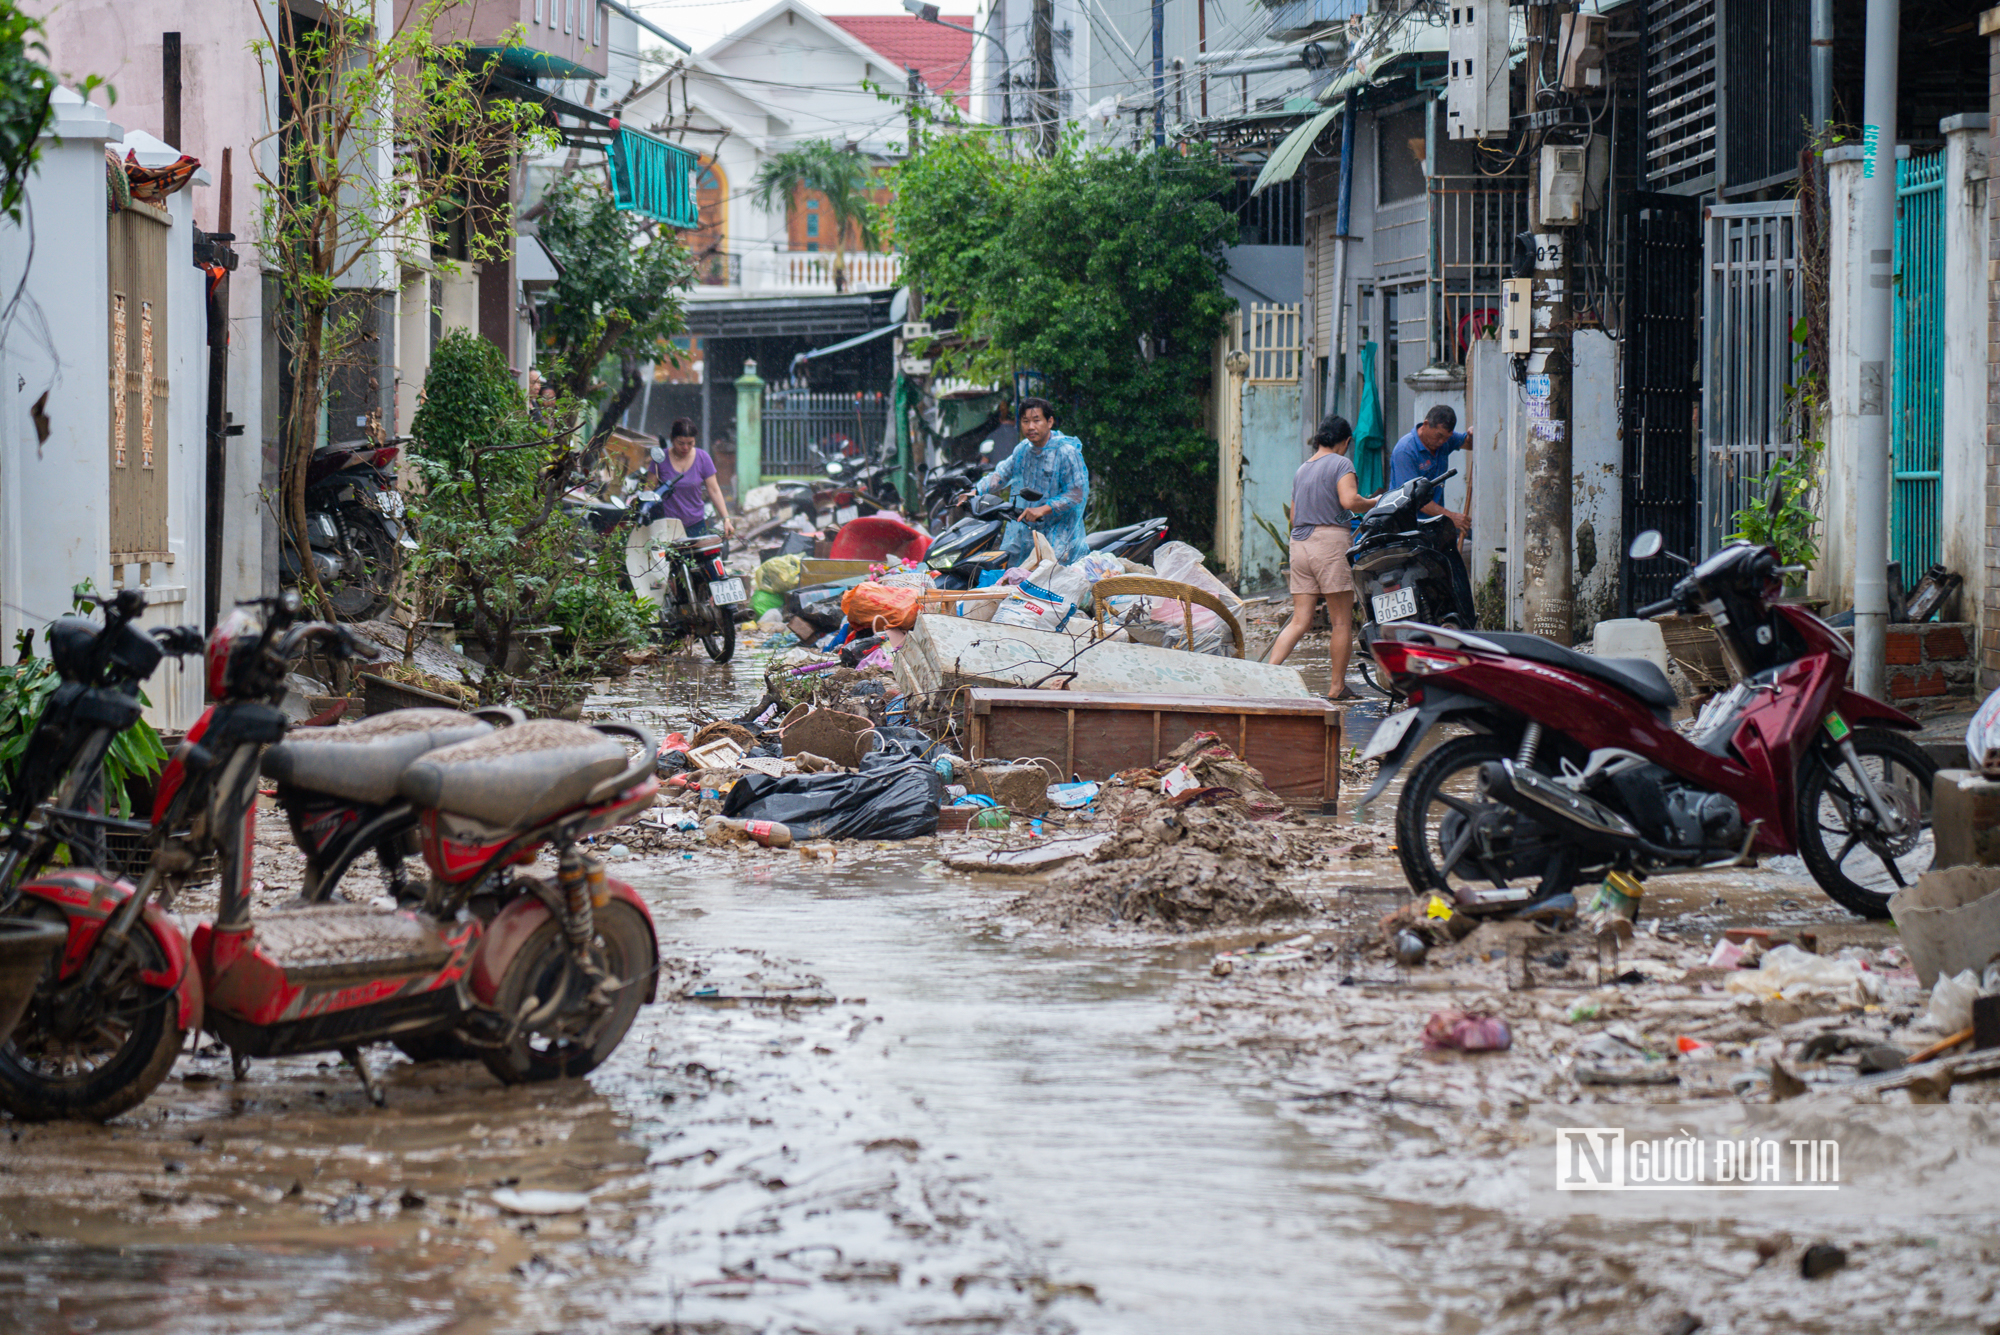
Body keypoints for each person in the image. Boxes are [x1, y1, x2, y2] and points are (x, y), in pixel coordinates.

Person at [1269, 414, 1379, 699]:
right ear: (1345, 441)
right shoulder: (1342, 464)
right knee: (1341, 621)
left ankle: (1266, 676)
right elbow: (1349, 500)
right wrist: (1373, 502)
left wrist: (1340, 516)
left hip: (1299, 545)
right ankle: (1337, 687)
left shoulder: (1302, 469)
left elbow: (1295, 516)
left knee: (1300, 620)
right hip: (1328, 546)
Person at [965, 397, 1089, 564]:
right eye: (1025, 421)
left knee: (1050, 573)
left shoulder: (1066, 452)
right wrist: (976, 491)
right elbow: (1002, 474)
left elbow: (1076, 493)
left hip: (1060, 533)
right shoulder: (1023, 449)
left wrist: (1043, 509)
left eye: (1036, 420)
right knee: (1010, 568)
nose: (1031, 426)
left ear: (1050, 422)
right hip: (1027, 528)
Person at [1388, 403, 1475, 622]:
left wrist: (1474, 434)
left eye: (1446, 438)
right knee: (1418, 578)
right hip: (1408, 527)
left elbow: (1467, 442)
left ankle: (1464, 622)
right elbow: (1416, 499)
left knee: (1454, 574)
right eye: (1438, 436)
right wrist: (1452, 517)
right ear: (1425, 425)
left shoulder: (1445, 441)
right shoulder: (1405, 450)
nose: (1442, 442)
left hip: (1434, 526)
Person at [649, 417, 736, 539]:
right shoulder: (660, 460)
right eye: (681, 443)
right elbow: (648, 491)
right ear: (672, 439)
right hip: (667, 526)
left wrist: (726, 519)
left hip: (696, 525)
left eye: (690, 443)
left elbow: (714, 490)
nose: (685, 448)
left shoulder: (703, 458)